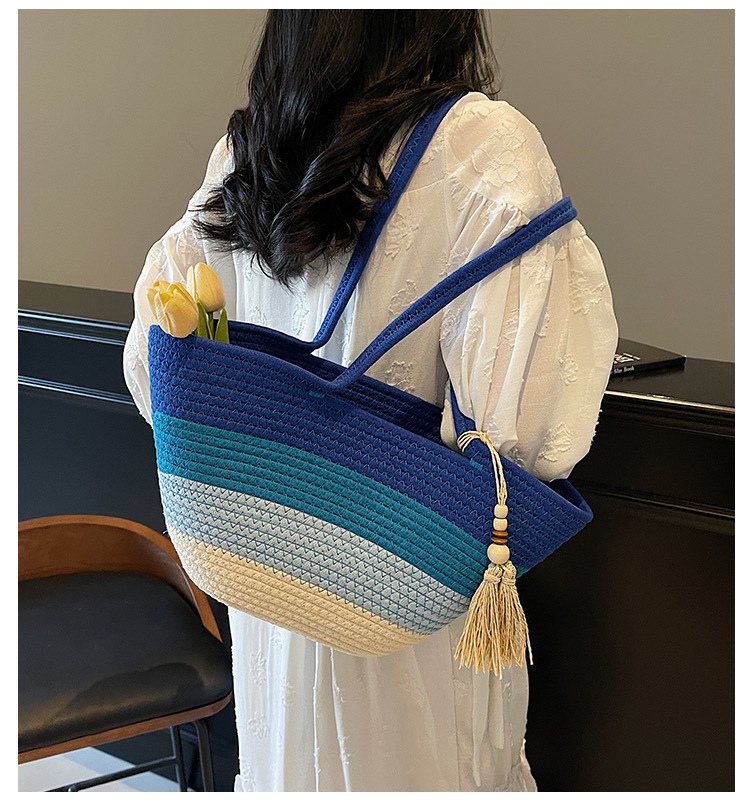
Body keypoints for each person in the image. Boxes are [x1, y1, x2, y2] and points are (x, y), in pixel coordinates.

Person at [124, 9, 617, 792]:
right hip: (413, 601)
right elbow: (529, 435)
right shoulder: (484, 146)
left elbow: (153, 371)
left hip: (271, 577)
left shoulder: (249, 154)